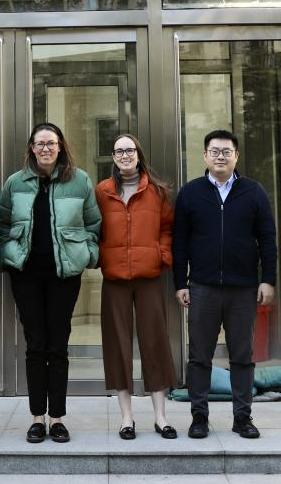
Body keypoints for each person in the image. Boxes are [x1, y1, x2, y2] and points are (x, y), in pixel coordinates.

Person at [0, 121, 100, 444]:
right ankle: (36, 418)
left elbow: (94, 223)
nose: (45, 148)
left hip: (64, 275)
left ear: (60, 147)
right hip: (26, 274)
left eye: (51, 143)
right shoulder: (15, 182)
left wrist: (88, 253)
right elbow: (2, 223)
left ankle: (57, 418)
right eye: (40, 143)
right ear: (31, 148)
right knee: (35, 345)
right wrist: (8, 253)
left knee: (58, 345)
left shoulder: (79, 180)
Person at [173, 129, 277, 441]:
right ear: (205, 156)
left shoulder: (253, 191)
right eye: (215, 151)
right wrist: (181, 283)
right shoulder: (190, 193)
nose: (221, 156)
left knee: (242, 355)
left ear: (236, 156)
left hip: (243, 288)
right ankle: (199, 417)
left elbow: (267, 239)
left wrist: (268, 280)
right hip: (202, 286)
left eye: (226, 152)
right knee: (199, 356)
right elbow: (179, 242)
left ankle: (242, 417)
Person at [95, 133, 177, 440]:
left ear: (139, 154)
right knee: (117, 344)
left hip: (149, 276)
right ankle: (126, 418)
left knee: (155, 342)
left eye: (130, 150)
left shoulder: (157, 191)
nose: (125, 155)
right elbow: (93, 228)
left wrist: (161, 254)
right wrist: (100, 257)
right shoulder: (102, 191)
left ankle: (160, 417)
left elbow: (167, 227)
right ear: (113, 157)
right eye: (119, 151)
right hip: (114, 277)